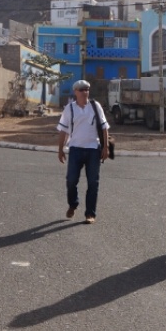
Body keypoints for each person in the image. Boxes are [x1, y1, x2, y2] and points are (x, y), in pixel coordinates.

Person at [57, 80, 110, 224]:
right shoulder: (69, 108)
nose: (84, 92)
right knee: (71, 180)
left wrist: (106, 147)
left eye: (86, 89)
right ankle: (73, 204)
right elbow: (63, 131)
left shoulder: (95, 106)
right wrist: (60, 149)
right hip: (75, 149)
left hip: (93, 149)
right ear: (75, 92)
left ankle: (90, 214)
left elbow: (104, 127)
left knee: (93, 182)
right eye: (81, 90)